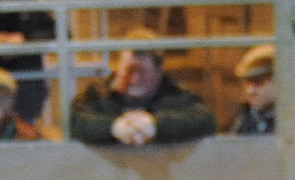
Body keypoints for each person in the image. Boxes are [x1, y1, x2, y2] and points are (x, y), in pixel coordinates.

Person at [69, 36, 214, 147]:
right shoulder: (97, 95)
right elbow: (75, 121)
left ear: (159, 72)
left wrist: (157, 125)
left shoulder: (176, 95)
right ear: (118, 68)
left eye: (142, 72)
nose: (134, 79)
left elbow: (206, 121)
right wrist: (113, 127)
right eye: (128, 70)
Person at [229, 44, 277, 135]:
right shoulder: (243, 119)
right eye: (246, 83)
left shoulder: (293, 120)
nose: (250, 91)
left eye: (258, 82)